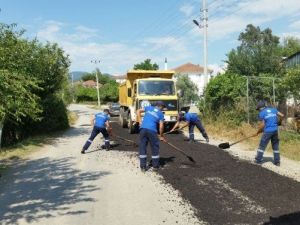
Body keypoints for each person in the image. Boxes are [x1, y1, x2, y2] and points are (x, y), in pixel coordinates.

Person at [136, 101, 166, 172]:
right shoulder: (160, 114)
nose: (163, 109)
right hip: (152, 131)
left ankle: (143, 167)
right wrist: (161, 136)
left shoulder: (149, 108)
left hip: (142, 130)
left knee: (142, 147)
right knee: (155, 147)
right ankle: (155, 166)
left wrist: (140, 121)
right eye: (163, 107)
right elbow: (161, 127)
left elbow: (138, 111)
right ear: (160, 106)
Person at [254, 100, 284, 166]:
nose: (259, 110)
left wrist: (258, 132)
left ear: (261, 108)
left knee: (262, 145)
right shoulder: (273, 110)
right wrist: (279, 122)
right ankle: (277, 162)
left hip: (268, 132)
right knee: (275, 146)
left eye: (259, 109)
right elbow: (282, 115)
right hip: (275, 131)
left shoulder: (262, 113)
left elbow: (262, 125)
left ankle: (258, 160)